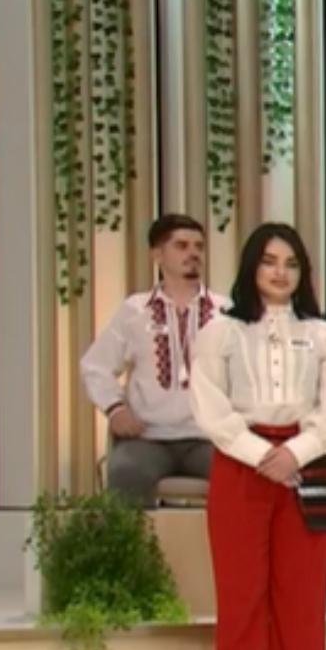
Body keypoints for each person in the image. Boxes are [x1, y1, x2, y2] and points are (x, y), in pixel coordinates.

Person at [190, 224, 326, 650]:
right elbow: (211, 408)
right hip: (240, 465)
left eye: (291, 263)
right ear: (251, 268)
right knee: (241, 602)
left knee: (301, 605)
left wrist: (295, 453)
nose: (280, 273)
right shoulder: (221, 332)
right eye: (269, 261)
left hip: (307, 464)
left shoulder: (323, 336)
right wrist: (261, 454)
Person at [79, 214, 228, 505]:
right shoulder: (135, 311)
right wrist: (116, 410)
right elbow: (95, 366)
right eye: (182, 246)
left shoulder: (226, 311)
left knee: (244, 475)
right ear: (158, 255)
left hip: (207, 438)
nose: (193, 253)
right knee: (127, 472)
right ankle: (132, 538)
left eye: (199, 246)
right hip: (148, 438)